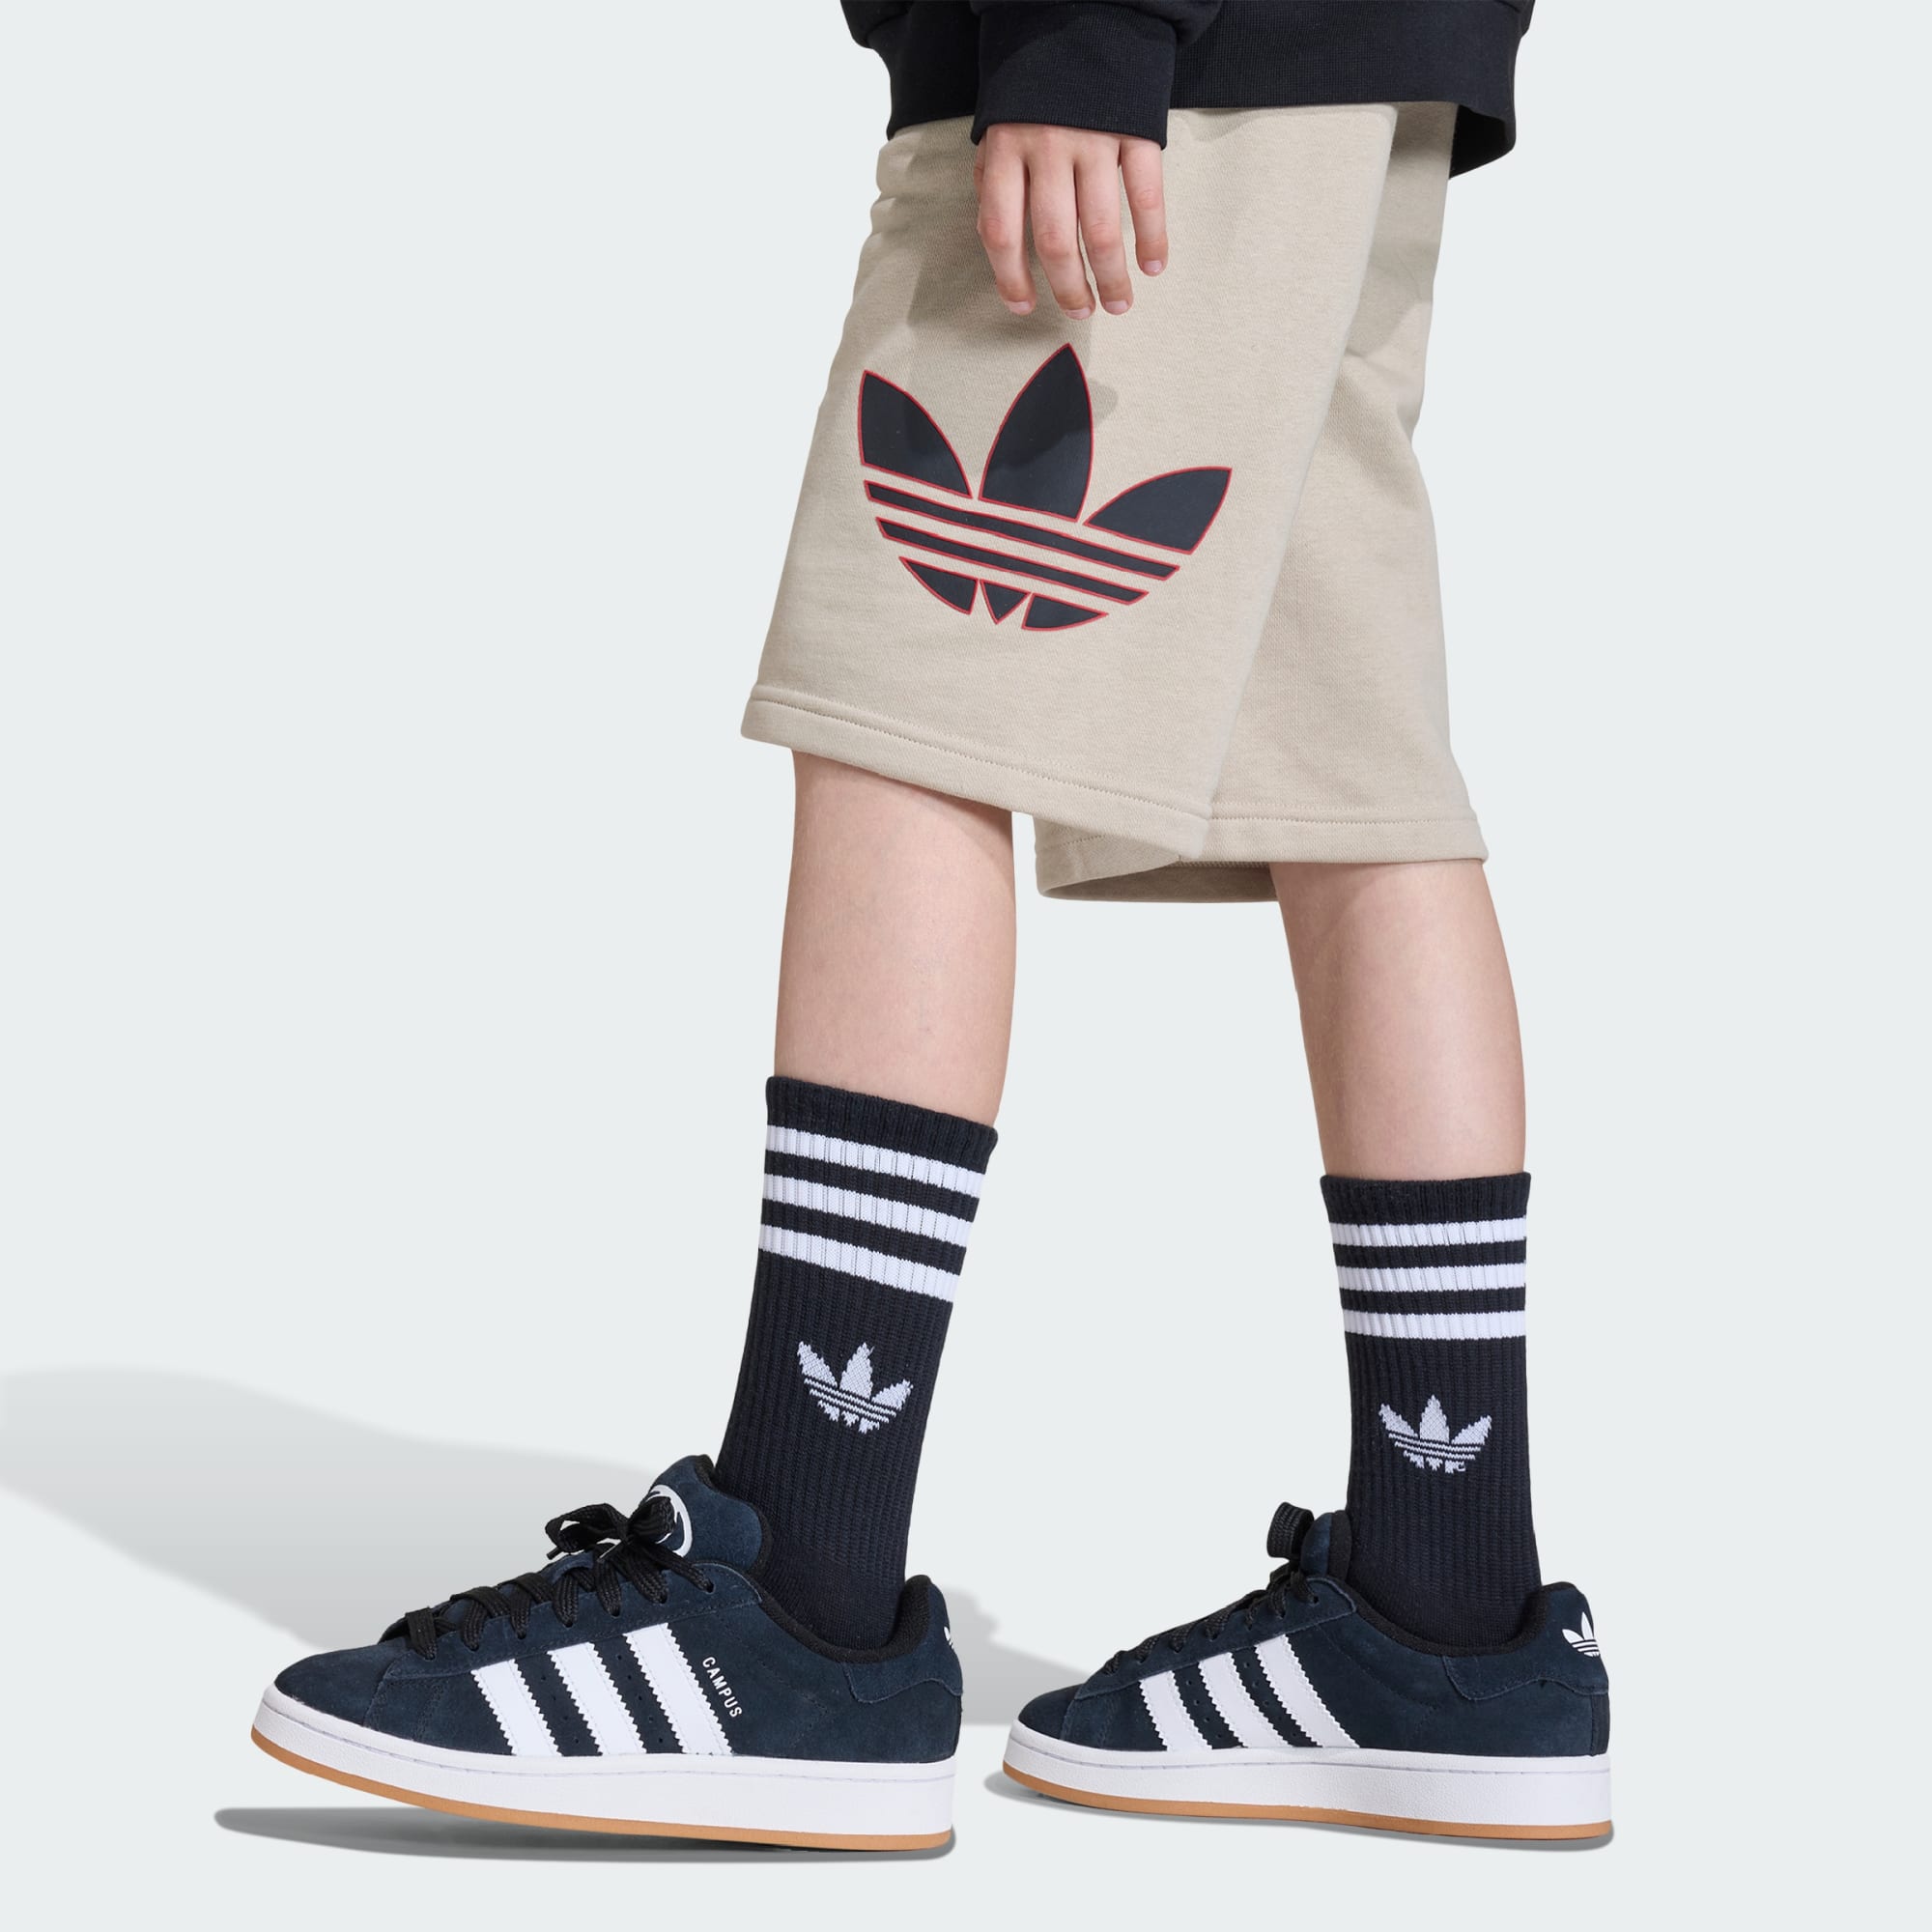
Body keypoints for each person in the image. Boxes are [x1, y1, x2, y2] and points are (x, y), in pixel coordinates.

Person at [251, 0, 1610, 1849]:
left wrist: (1078, 33)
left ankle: (798, 1610)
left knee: (907, 706)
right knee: (1348, 773)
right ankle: (1447, 1619)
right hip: (1333, 58)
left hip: (1160, 69)